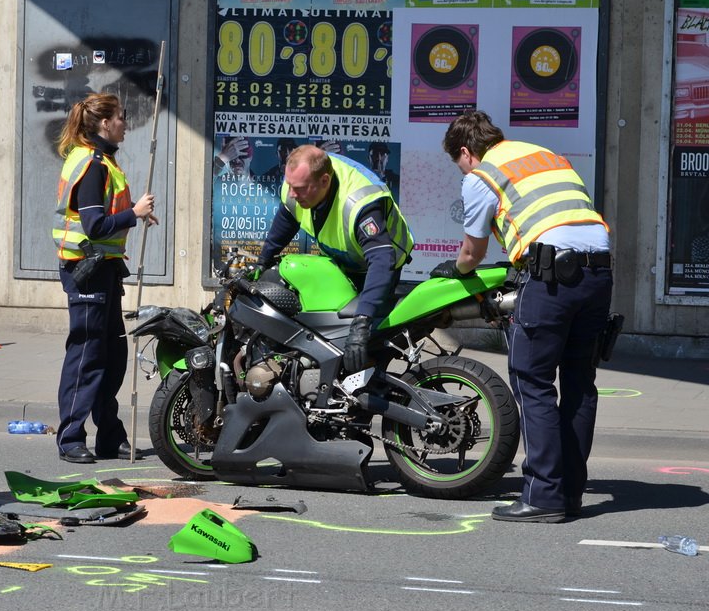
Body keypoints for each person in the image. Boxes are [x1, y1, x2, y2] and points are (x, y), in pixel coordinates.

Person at [435, 110, 614, 523]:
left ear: (466, 152)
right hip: (599, 273)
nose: (461, 170)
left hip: (553, 279)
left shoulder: (482, 176)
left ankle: (543, 496)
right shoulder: (543, 155)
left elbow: (471, 254)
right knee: (579, 383)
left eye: (458, 162)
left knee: (532, 381)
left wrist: (457, 269)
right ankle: (569, 491)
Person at [52, 92, 158, 464]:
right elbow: (95, 225)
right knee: (87, 355)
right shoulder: (92, 164)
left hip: (105, 269)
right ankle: (70, 438)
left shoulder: (104, 162)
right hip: (87, 270)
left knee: (113, 354)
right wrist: (134, 213)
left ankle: (110, 436)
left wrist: (132, 214)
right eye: (121, 117)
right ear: (103, 123)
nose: (125, 123)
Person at [256, 144, 414, 372]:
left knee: (361, 347)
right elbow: (287, 219)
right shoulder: (297, 186)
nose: (292, 193)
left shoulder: (359, 202)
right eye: (290, 185)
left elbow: (381, 260)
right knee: (327, 335)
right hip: (342, 260)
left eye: (299, 188)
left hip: (378, 266)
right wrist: (262, 261)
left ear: (324, 181)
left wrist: (362, 322)